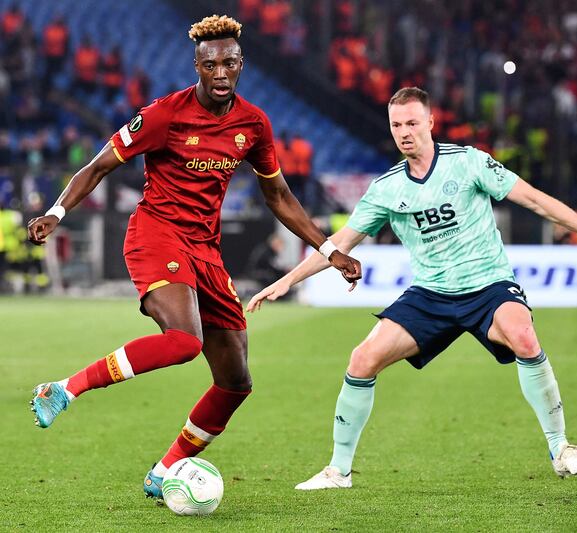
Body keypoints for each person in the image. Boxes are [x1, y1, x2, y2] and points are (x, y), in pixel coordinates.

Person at [27, 15, 361, 501]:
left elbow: (280, 196)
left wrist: (329, 248)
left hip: (205, 250)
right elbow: (98, 165)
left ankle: (164, 470)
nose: (221, 72)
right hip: (156, 235)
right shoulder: (163, 115)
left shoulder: (253, 124)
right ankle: (65, 388)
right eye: (211, 64)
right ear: (197, 67)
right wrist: (57, 212)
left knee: (235, 382)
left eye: (229, 63)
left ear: (241, 65)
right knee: (184, 341)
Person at [247, 87, 577, 490]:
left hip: (488, 285)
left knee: (524, 336)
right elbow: (339, 243)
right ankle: (339, 470)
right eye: (397, 125)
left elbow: (534, 199)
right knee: (362, 359)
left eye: (412, 123)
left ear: (430, 123)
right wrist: (286, 281)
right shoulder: (387, 188)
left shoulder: (468, 163)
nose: (405, 132)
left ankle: (561, 449)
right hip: (431, 295)